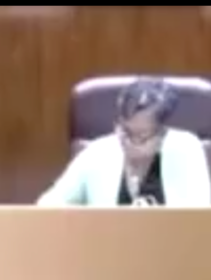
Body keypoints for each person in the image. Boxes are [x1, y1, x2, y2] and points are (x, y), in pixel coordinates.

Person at [36, 77, 211, 207]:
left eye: (141, 136)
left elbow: (203, 219)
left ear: (161, 135)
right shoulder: (96, 153)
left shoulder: (186, 150)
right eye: (125, 132)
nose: (129, 143)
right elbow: (47, 209)